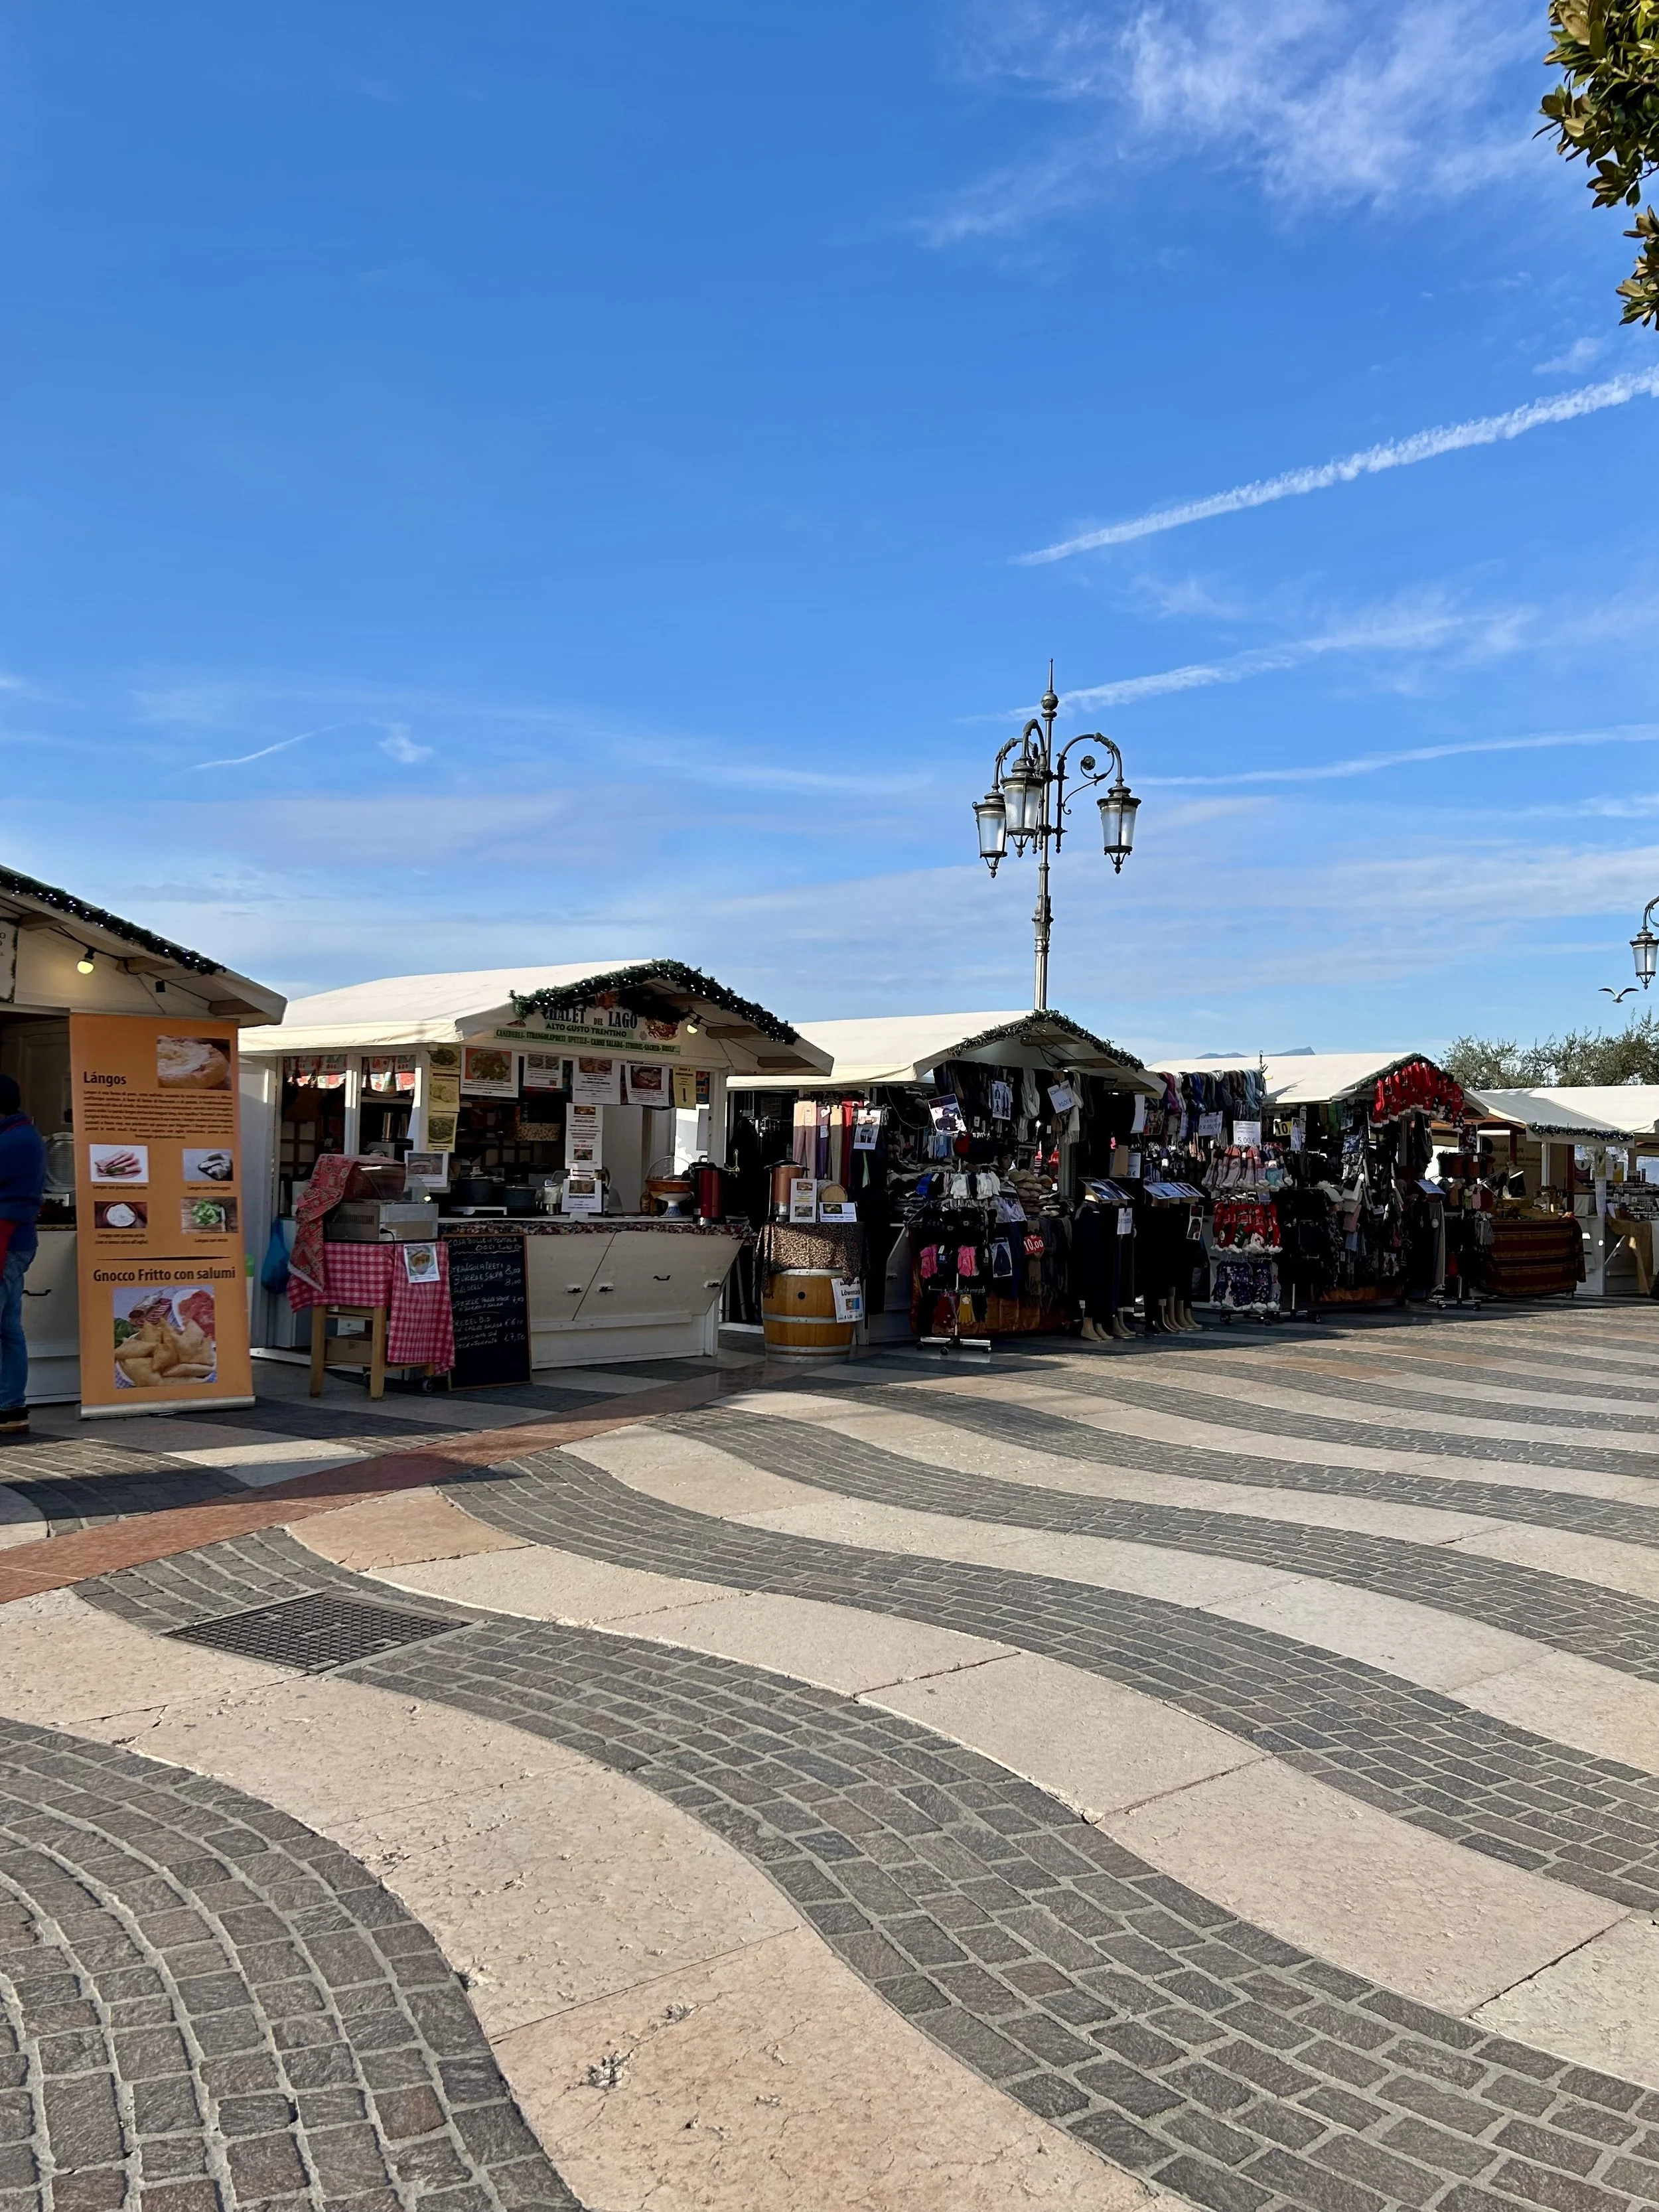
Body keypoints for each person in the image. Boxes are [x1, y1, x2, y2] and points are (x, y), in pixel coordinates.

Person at [0, 1073, 46, 1438]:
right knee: (8, 1328)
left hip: (6, 1242)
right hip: (16, 1241)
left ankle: (10, 1405)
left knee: (7, 1329)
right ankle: (11, 1406)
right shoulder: (21, 1134)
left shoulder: (14, 1141)